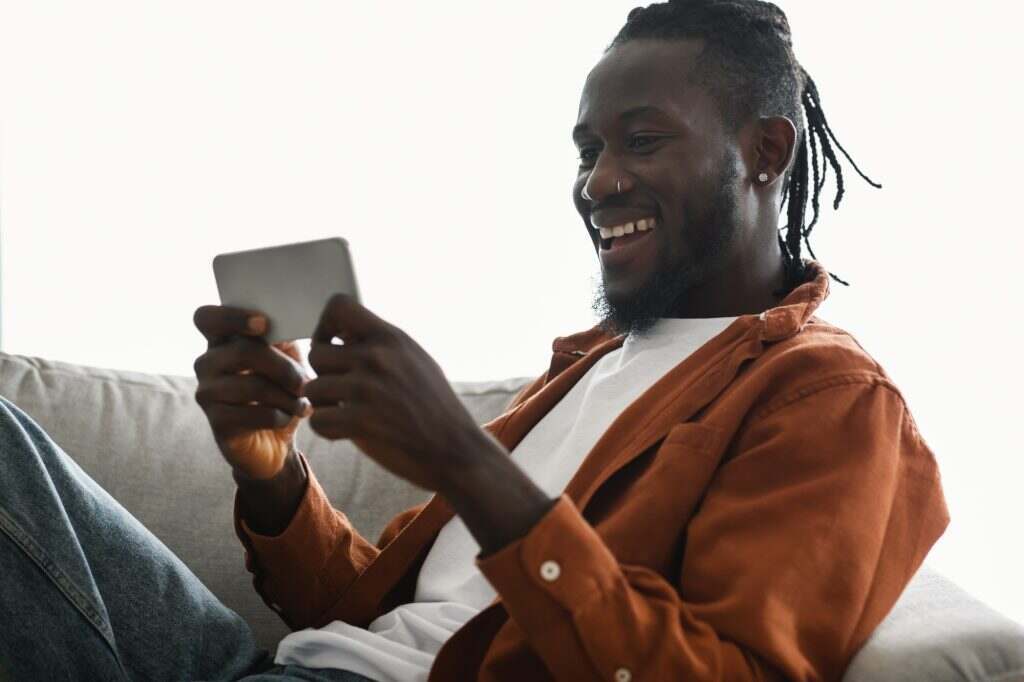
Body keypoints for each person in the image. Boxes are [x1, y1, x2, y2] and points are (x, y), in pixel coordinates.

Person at [0, 1, 949, 680]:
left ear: (766, 152)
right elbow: (364, 610)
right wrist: (273, 474)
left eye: (642, 140)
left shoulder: (825, 398)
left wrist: (464, 459)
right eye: (588, 150)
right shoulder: (590, 368)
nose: (598, 182)